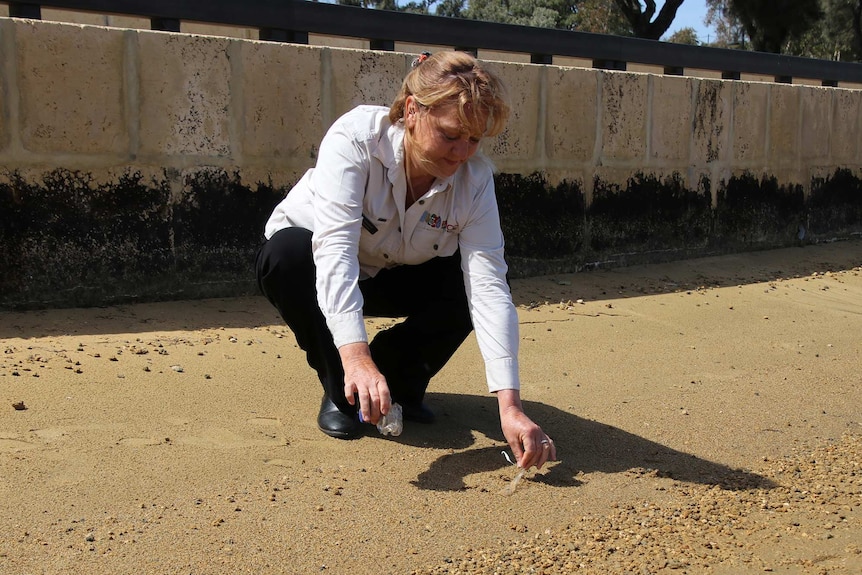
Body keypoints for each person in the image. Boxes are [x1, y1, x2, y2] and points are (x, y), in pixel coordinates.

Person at [256, 50, 556, 470]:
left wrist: (510, 405)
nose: (462, 153)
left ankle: (399, 381)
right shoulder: (356, 139)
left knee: (468, 284)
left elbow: (488, 286)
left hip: (399, 272)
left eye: (474, 139)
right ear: (412, 111)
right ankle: (344, 387)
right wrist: (356, 358)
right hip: (318, 266)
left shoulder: (475, 179)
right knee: (284, 256)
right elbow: (335, 252)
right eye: (451, 135)